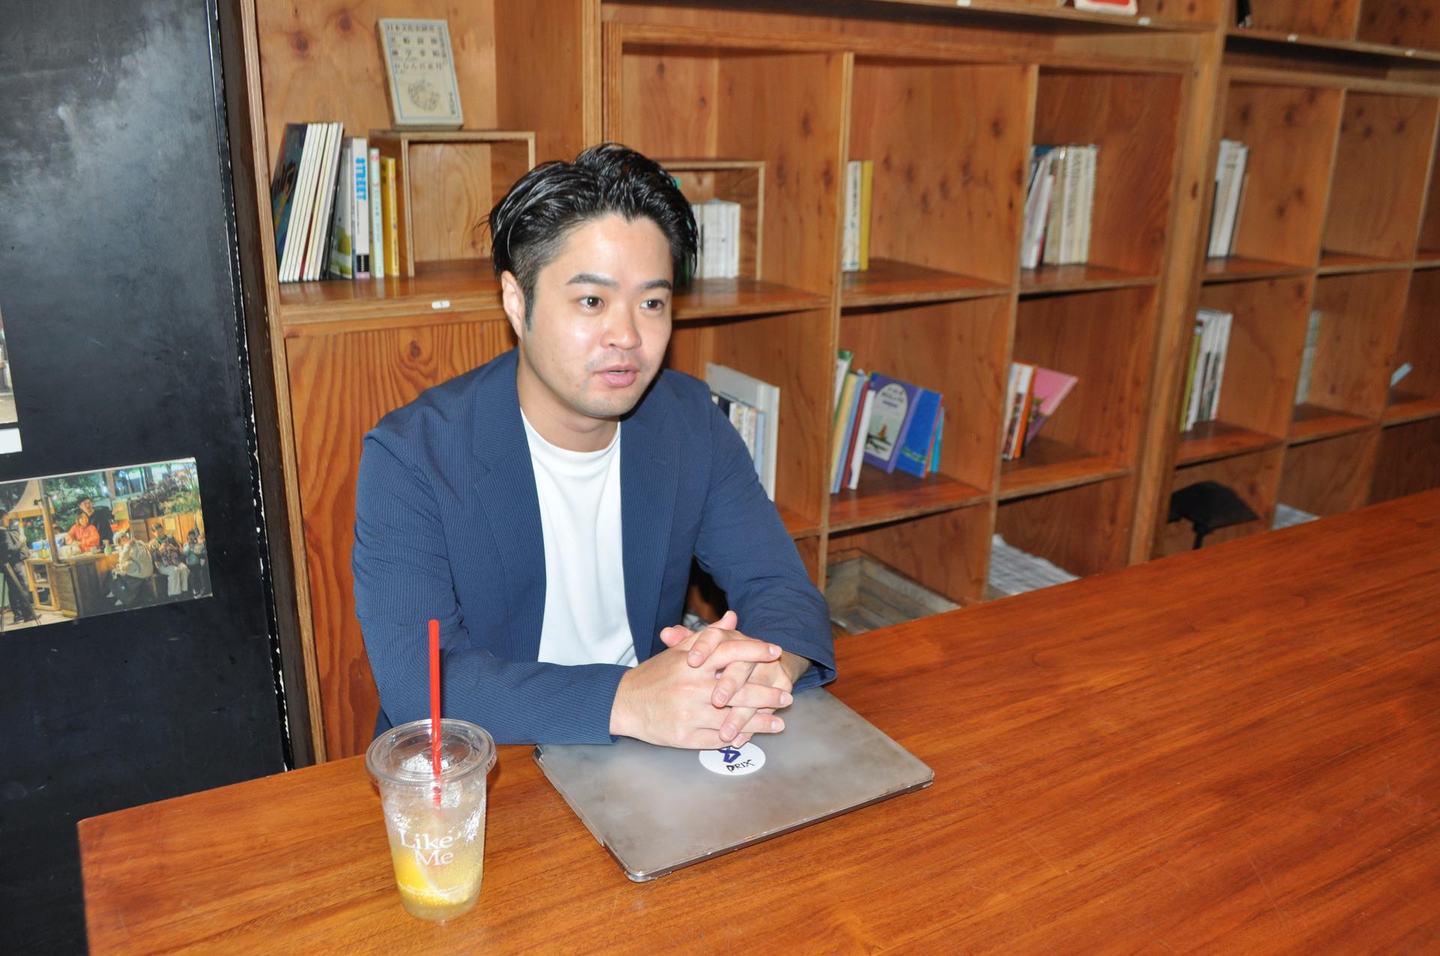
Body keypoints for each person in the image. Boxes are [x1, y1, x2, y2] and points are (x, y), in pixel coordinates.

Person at [354, 144, 835, 749]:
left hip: (649, 751)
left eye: (652, 303)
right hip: (490, 762)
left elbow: (782, 588)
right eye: (591, 301)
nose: (627, 335)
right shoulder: (412, 456)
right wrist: (625, 699)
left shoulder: (689, 421)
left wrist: (765, 668)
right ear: (517, 301)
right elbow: (420, 685)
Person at [109, 530, 154, 606]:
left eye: (124, 536)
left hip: (143, 570)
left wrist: (132, 547)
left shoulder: (139, 543)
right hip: (136, 570)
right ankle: (116, 593)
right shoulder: (124, 547)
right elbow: (121, 560)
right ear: (120, 543)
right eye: (121, 539)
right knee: (114, 572)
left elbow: (140, 557)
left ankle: (120, 596)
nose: (124, 538)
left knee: (120, 576)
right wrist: (128, 547)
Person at [183, 529, 210, 596]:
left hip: (197, 564)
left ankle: (201, 588)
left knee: (199, 575)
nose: (191, 538)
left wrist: (198, 544)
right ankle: (194, 589)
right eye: (190, 536)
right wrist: (189, 546)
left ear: (195, 537)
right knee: (192, 576)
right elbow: (185, 553)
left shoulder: (197, 543)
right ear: (188, 537)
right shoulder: (186, 544)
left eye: (192, 536)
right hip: (190, 565)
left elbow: (200, 552)